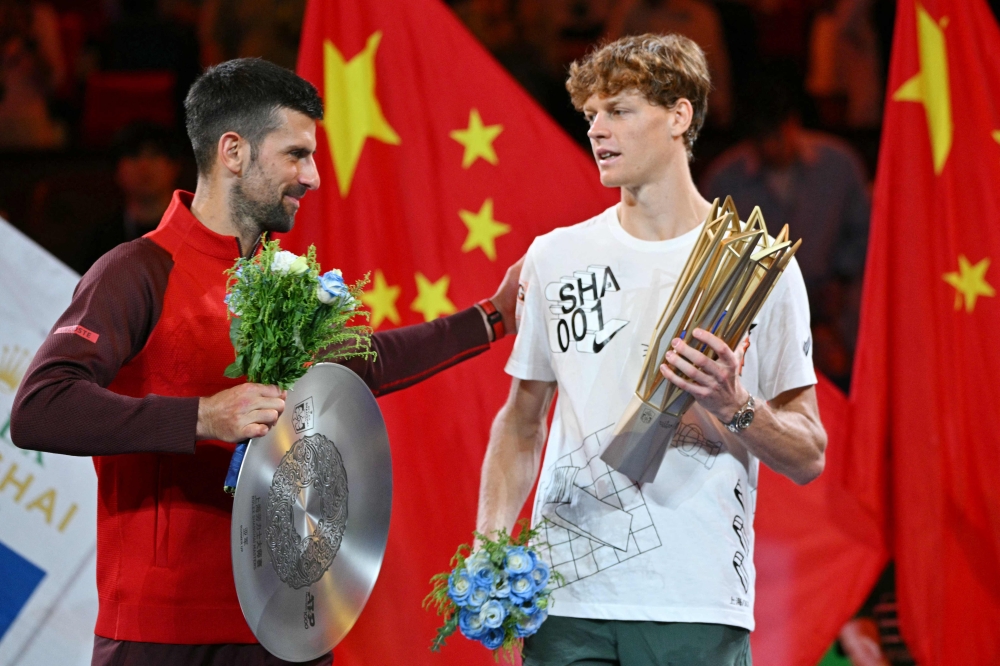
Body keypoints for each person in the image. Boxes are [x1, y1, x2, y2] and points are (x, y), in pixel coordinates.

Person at [11, 58, 520, 666]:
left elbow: (363, 361)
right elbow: (41, 407)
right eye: (296, 155)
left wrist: (492, 317)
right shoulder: (136, 270)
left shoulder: (283, 279)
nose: (314, 176)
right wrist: (201, 417)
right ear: (233, 151)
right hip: (164, 634)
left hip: (287, 627)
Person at [475, 34, 826, 665]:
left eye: (619, 110)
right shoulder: (554, 257)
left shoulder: (759, 269)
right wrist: (489, 547)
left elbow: (808, 456)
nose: (597, 130)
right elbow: (522, 422)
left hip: (694, 602)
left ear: (680, 115)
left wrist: (736, 403)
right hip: (565, 601)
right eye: (590, 116)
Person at [700, 78, 869, 389]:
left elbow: (863, 231)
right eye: (760, 139)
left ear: (793, 123)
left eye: (776, 135)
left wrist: (841, 281)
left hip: (837, 306)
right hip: (761, 313)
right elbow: (714, 255)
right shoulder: (725, 180)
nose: (769, 147)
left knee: (847, 379)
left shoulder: (838, 165)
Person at [84, 122, 186, 271]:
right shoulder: (100, 240)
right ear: (117, 171)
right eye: (133, 155)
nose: (144, 165)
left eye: (154, 154)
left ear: (174, 166)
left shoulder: (195, 233)